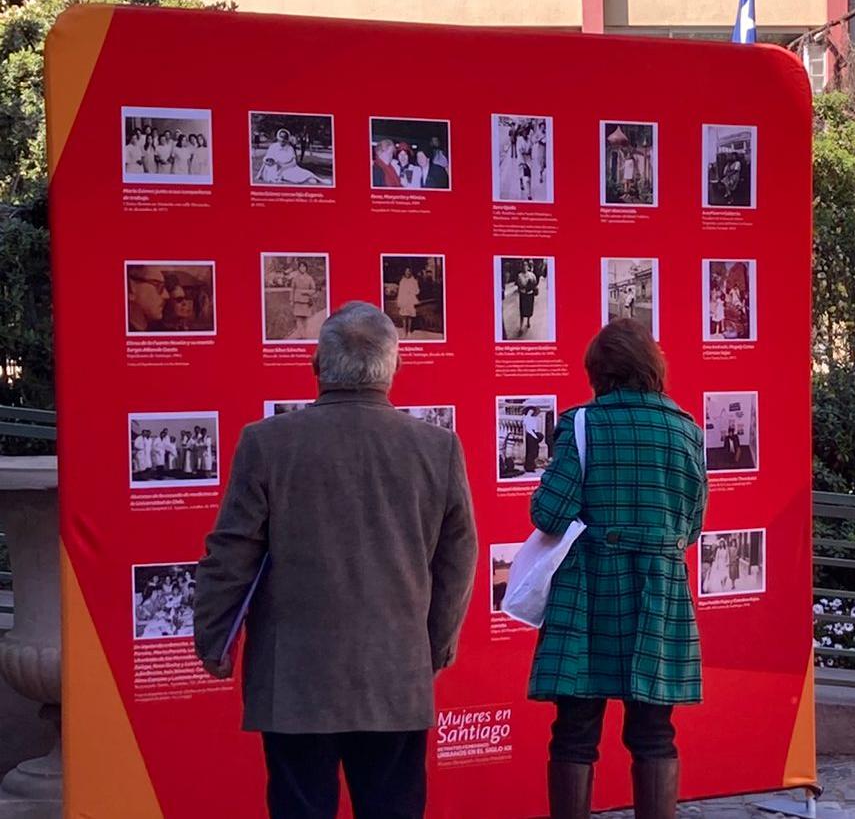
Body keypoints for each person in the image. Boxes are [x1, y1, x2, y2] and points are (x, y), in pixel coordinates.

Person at [193, 301, 477, 819]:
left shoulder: (267, 444)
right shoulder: (438, 449)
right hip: (395, 673)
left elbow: (231, 551)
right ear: (394, 369)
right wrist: (433, 645)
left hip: (295, 679)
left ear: (316, 366)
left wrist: (213, 638)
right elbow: (458, 559)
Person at [529, 318, 707, 819]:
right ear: (651, 367)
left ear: (598, 373)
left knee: (575, 732)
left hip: (589, 591)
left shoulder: (582, 424)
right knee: (654, 732)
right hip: (661, 590)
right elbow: (692, 524)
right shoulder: (687, 430)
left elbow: (549, 513)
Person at [259, 129, 328, 185]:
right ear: (278, 137)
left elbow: (294, 162)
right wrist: (260, 172)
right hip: (276, 168)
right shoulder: (273, 146)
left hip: (289, 167)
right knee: (293, 177)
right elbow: (266, 159)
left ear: (287, 139)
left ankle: (317, 179)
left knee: (304, 173)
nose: (282, 140)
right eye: (281, 137)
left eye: (284, 138)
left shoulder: (290, 148)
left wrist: (284, 167)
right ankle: (306, 180)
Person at [395, 266, 420, 338]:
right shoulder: (402, 281)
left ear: (410, 272)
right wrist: (399, 301)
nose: (407, 273)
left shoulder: (414, 281)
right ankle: (404, 332)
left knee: (410, 316)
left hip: (410, 300)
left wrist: (412, 292)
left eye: (409, 271)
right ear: (405, 272)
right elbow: (400, 292)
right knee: (404, 316)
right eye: (406, 271)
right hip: (404, 300)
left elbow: (417, 291)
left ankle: (409, 332)